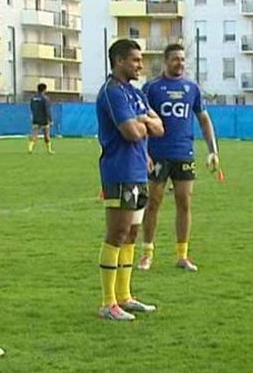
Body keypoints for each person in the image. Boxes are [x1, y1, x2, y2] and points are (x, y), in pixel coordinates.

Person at [96, 39, 164, 320]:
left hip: (138, 170)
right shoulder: (112, 92)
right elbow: (132, 133)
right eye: (136, 60)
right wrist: (143, 122)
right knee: (117, 233)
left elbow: (159, 128)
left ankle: (124, 296)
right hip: (119, 171)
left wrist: (143, 120)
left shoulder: (135, 94)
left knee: (132, 233)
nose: (140, 65)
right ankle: (107, 302)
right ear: (120, 61)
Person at [138, 44, 219, 272]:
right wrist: (144, 152)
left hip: (184, 153)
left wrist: (213, 149)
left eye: (183, 60)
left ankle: (182, 255)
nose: (180, 63)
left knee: (184, 202)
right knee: (153, 203)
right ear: (165, 61)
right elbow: (142, 121)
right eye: (175, 59)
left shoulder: (191, 88)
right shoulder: (152, 88)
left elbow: (203, 119)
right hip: (158, 154)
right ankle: (147, 253)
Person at [27, 83, 55, 154]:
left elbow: (31, 107)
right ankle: (49, 150)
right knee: (46, 135)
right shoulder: (45, 98)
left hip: (36, 118)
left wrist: (33, 115)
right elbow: (47, 110)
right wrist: (51, 120)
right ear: (44, 89)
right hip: (44, 119)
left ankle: (30, 148)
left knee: (34, 133)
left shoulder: (33, 98)